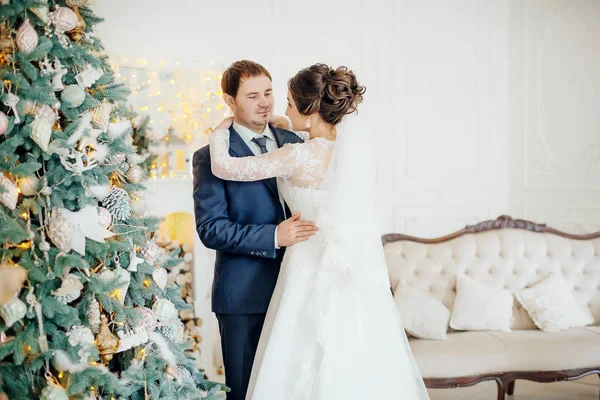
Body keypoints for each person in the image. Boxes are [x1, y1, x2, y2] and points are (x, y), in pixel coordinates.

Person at [209, 63, 430, 399]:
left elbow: (224, 166)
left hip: (306, 267)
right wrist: (287, 122)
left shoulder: (295, 155)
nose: (280, 110)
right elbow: (295, 128)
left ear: (309, 112)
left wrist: (219, 130)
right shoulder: (343, 149)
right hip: (342, 271)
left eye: (287, 103)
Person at [192, 60, 319, 400]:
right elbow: (211, 229)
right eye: (252, 96)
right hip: (243, 297)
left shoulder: (294, 140)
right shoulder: (209, 157)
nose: (265, 102)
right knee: (247, 391)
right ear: (229, 101)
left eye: (268, 92)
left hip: (298, 288)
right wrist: (274, 237)